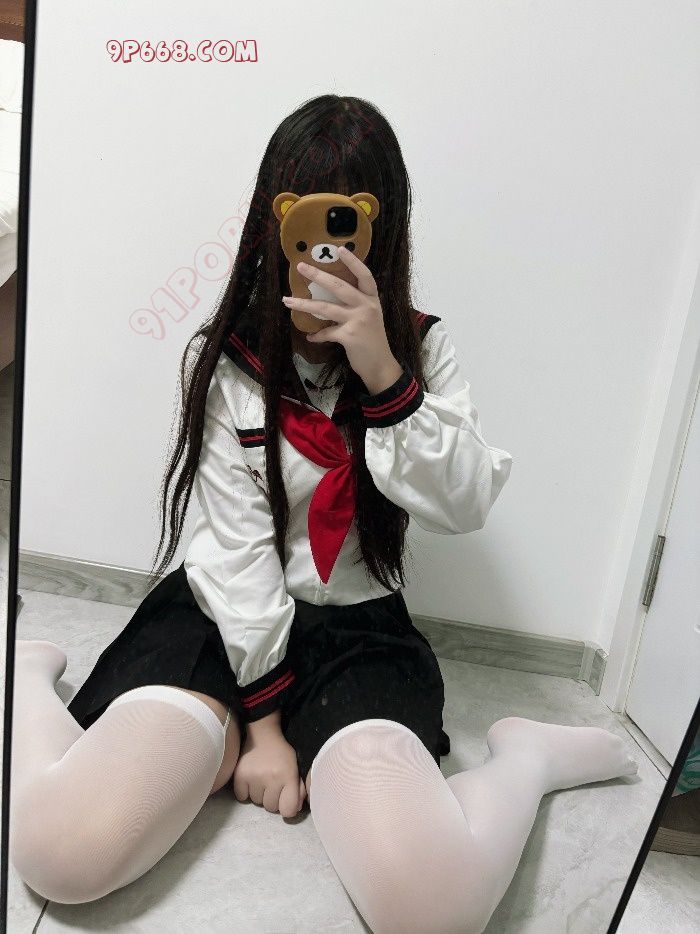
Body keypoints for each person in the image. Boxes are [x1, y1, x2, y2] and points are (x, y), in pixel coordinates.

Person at [10, 95, 638, 932]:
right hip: (220, 616)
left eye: (348, 222)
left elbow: (464, 503)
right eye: (305, 221)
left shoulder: (422, 350)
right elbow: (236, 550)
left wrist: (384, 372)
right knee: (64, 854)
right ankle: (30, 675)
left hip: (355, 626)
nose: (324, 251)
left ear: (382, 226)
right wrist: (265, 727)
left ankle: (525, 758)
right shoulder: (228, 358)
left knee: (433, 912)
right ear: (274, 220)